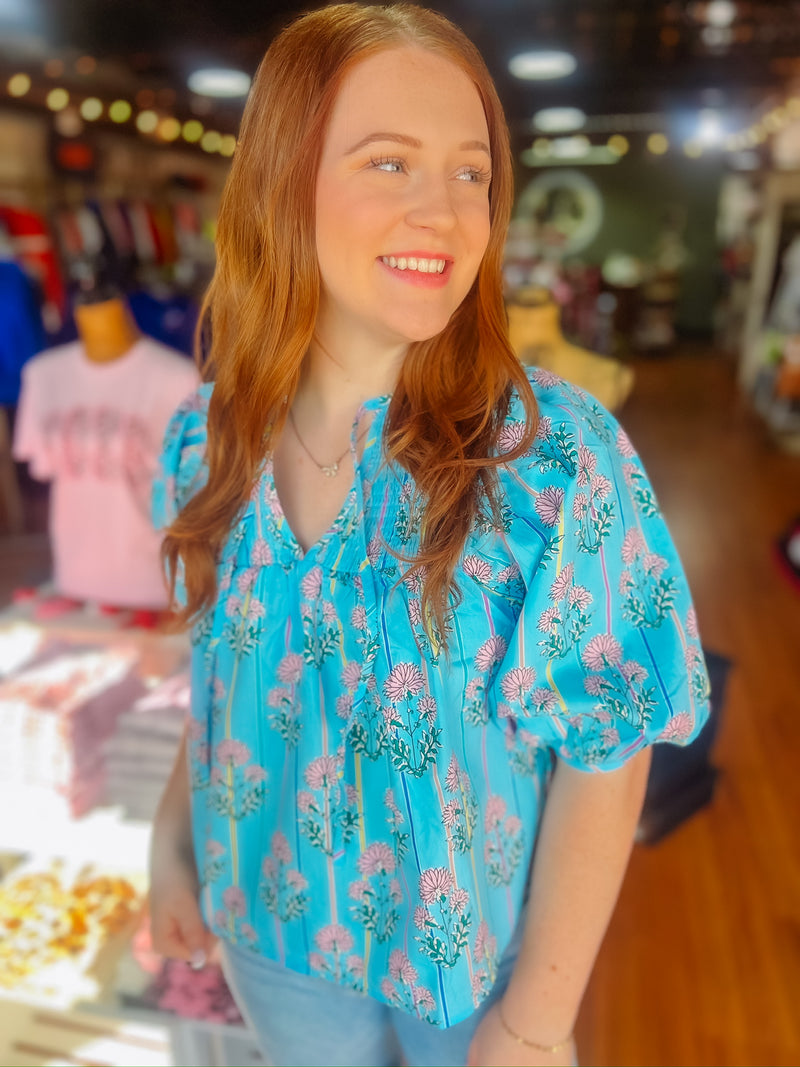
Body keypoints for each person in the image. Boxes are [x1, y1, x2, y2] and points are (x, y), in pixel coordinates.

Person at [149, 5, 711, 1066]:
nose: (447, 215)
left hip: (473, 969)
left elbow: (607, 746)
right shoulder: (203, 436)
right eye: (389, 162)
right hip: (266, 927)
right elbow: (217, 670)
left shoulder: (551, 455)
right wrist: (169, 840)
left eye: (469, 173)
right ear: (284, 180)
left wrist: (537, 1023)